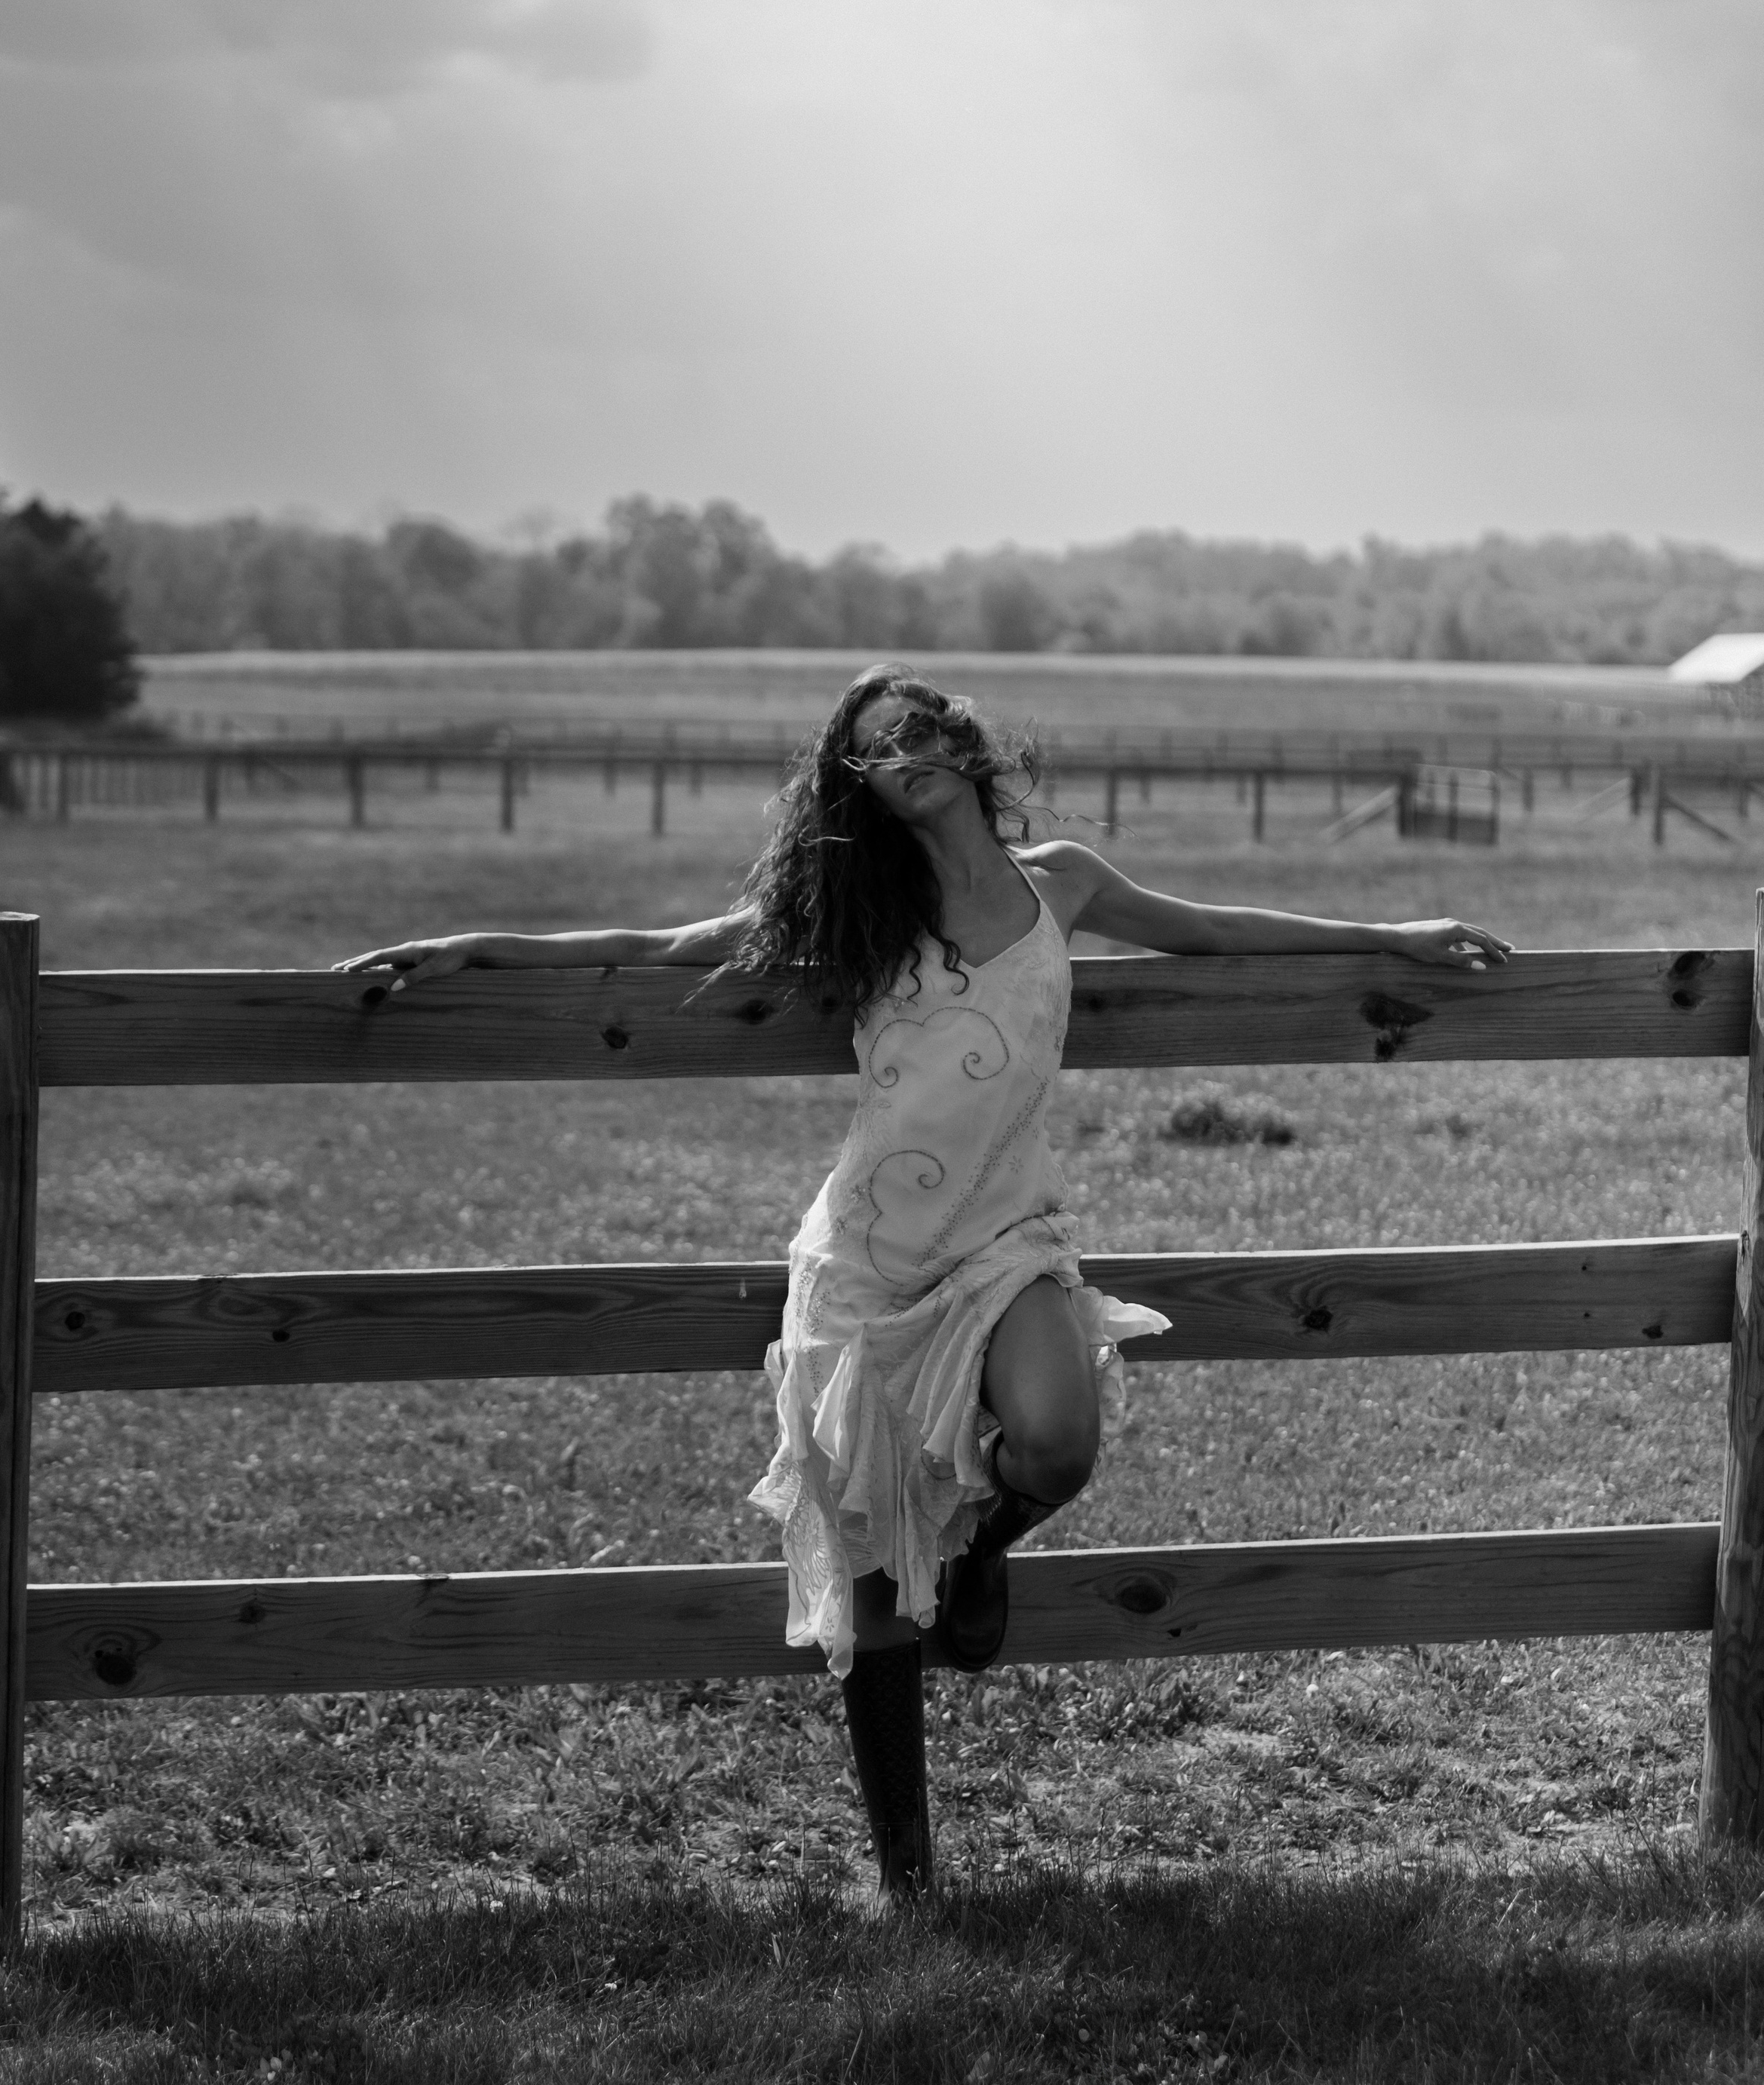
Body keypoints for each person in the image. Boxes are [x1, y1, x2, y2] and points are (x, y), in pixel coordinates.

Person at [336, 665, 1512, 1908]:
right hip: (865, 1269)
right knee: (878, 1591)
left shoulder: (1062, 877)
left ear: (960, 743)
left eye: (924, 727)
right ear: (865, 787)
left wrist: (1393, 933)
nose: (911, 749)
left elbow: (1217, 926)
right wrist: (479, 950)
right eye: (879, 746)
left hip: (1007, 1241)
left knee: (1058, 1446)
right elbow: (664, 947)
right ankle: (910, 1880)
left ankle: (976, 1547)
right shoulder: (858, 907)